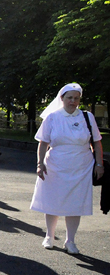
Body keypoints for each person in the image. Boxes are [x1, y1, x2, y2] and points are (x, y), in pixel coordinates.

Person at [30, 83, 104, 254]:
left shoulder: (87, 117)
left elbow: (97, 142)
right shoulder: (53, 117)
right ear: (62, 98)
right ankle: (49, 236)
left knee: (75, 204)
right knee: (53, 201)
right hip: (55, 166)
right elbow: (43, 143)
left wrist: (99, 164)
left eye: (76, 98)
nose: (73, 101)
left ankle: (70, 241)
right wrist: (40, 164)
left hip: (81, 167)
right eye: (69, 98)